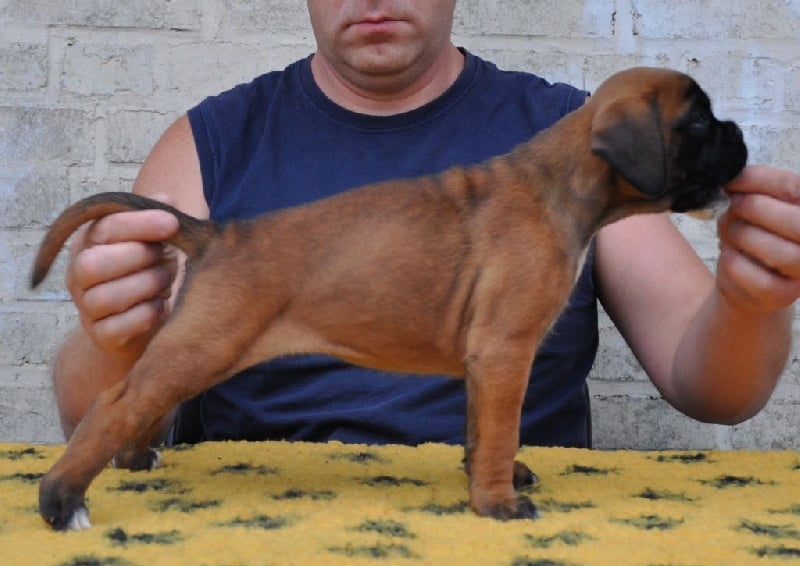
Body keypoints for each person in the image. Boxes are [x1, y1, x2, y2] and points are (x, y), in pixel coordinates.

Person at [52, 1, 799, 449]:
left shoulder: (575, 138)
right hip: (263, 527)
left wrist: (751, 303)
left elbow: (714, 391)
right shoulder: (209, 145)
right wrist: (112, 339)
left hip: (509, 538)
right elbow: (98, 420)